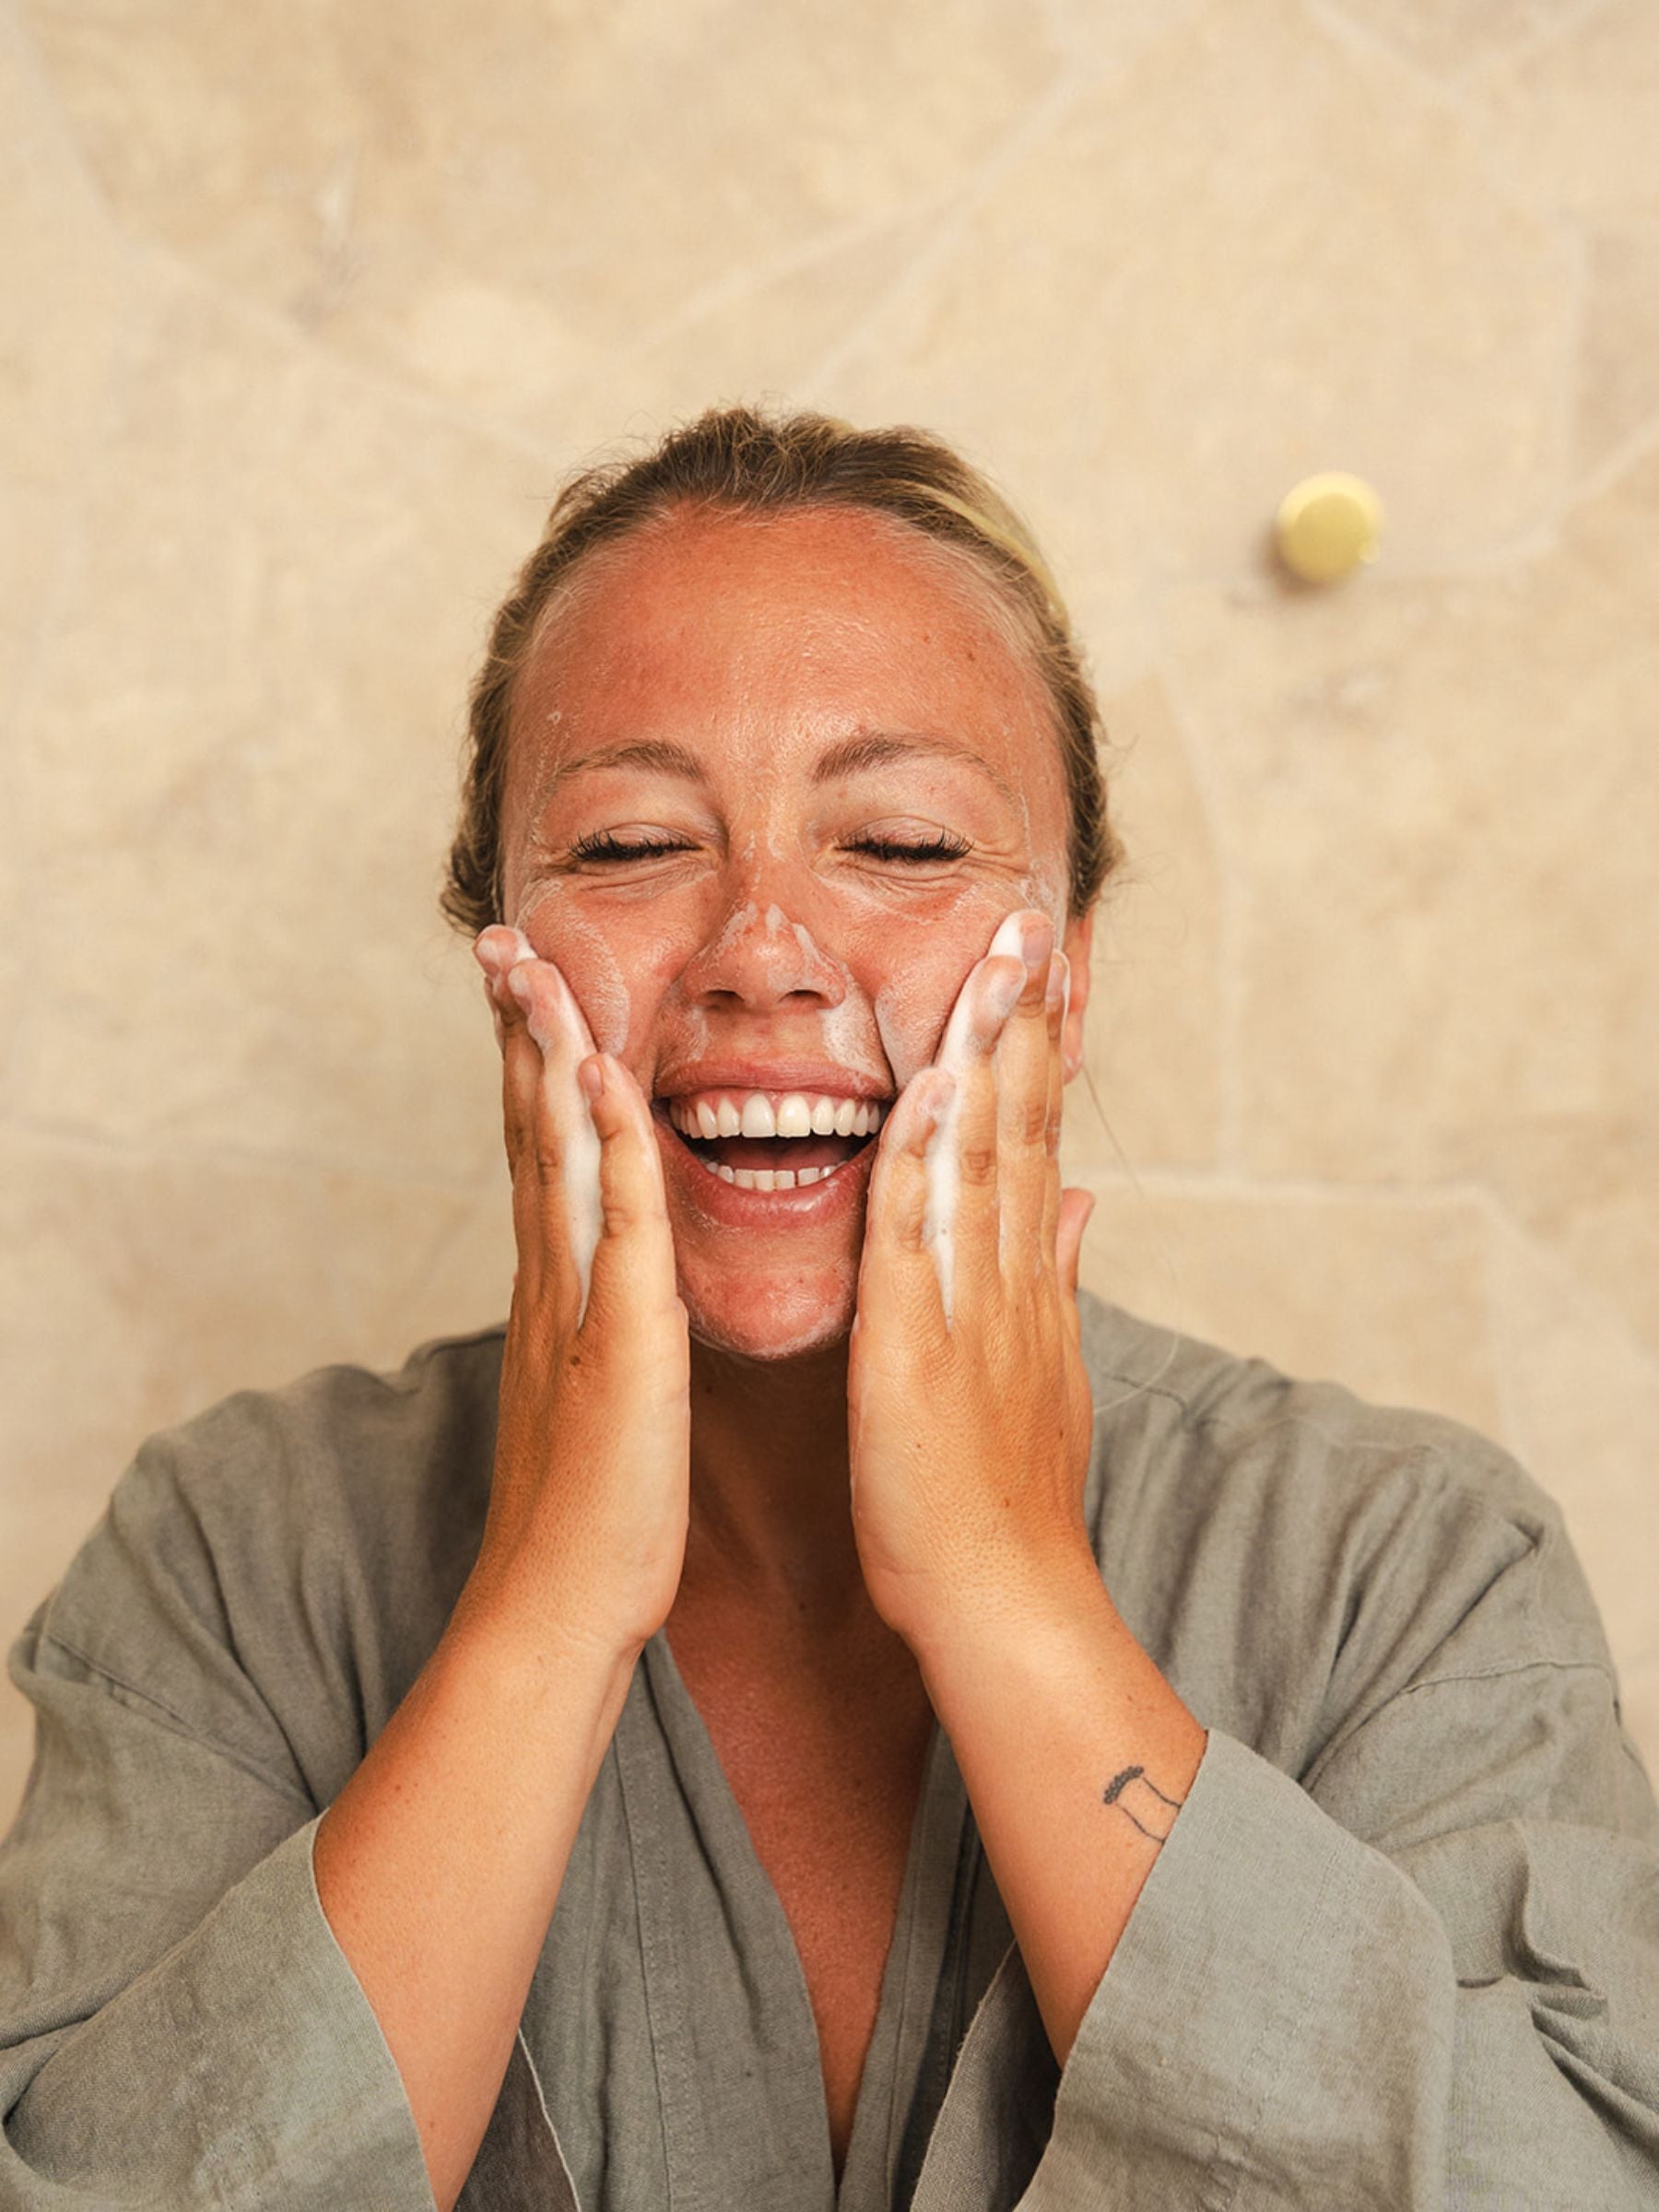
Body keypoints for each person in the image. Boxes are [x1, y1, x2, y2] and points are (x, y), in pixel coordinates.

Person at [2, 406, 1656, 2212]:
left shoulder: (1400, 1565)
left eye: (902, 847)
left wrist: (1010, 1598)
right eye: (632, 849)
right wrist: (548, 1608)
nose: (763, 952)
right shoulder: (236, 1554)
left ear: (1074, 970)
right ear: (499, 950)